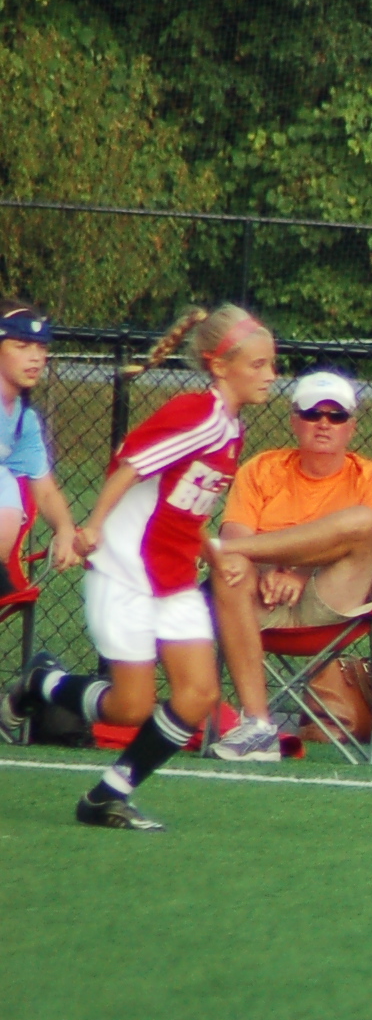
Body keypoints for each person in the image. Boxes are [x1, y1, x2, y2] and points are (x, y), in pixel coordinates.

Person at [6, 306, 276, 830]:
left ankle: (106, 796)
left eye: (272, 364)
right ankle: (41, 684)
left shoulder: (230, 427)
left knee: (198, 695)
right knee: (130, 707)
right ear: (220, 366)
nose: (270, 375)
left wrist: (213, 554)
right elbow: (129, 467)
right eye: (259, 364)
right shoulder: (198, 414)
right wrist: (93, 526)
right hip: (126, 571)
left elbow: (182, 507)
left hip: (172, 577)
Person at [204, 369, 372, 758]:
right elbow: (235, 540)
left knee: (362, 521)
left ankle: (218, 552)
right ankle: (258, 727)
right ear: (294, 420)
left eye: (336, 416)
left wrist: (300, 571)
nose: (324, 424)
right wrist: (269, 570)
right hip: (262, 600)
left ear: (352, 426)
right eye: (313, 414)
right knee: (231, 565)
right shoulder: (261, 469)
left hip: (336, 601)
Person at [0, 301, 80, 582]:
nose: (35, 358)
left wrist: (65, 530)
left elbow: (45, 491)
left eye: (41, 347)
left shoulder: (23, 420)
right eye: (22, 346)